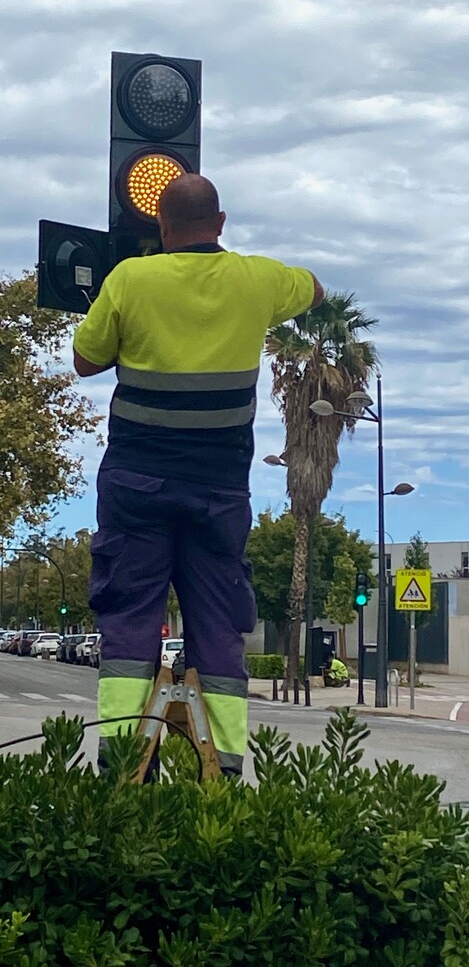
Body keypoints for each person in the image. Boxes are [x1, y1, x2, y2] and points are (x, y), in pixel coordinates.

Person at [73, 174, 324, 776]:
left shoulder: (131, 279)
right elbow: (315, 289)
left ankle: (122, 764)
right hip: (218, 491)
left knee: (131, 620)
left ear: (159, 225)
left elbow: (85, 360)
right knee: (217, 623)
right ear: (221, 222)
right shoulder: (258, 278)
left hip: (137, 485)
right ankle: (225, 768)